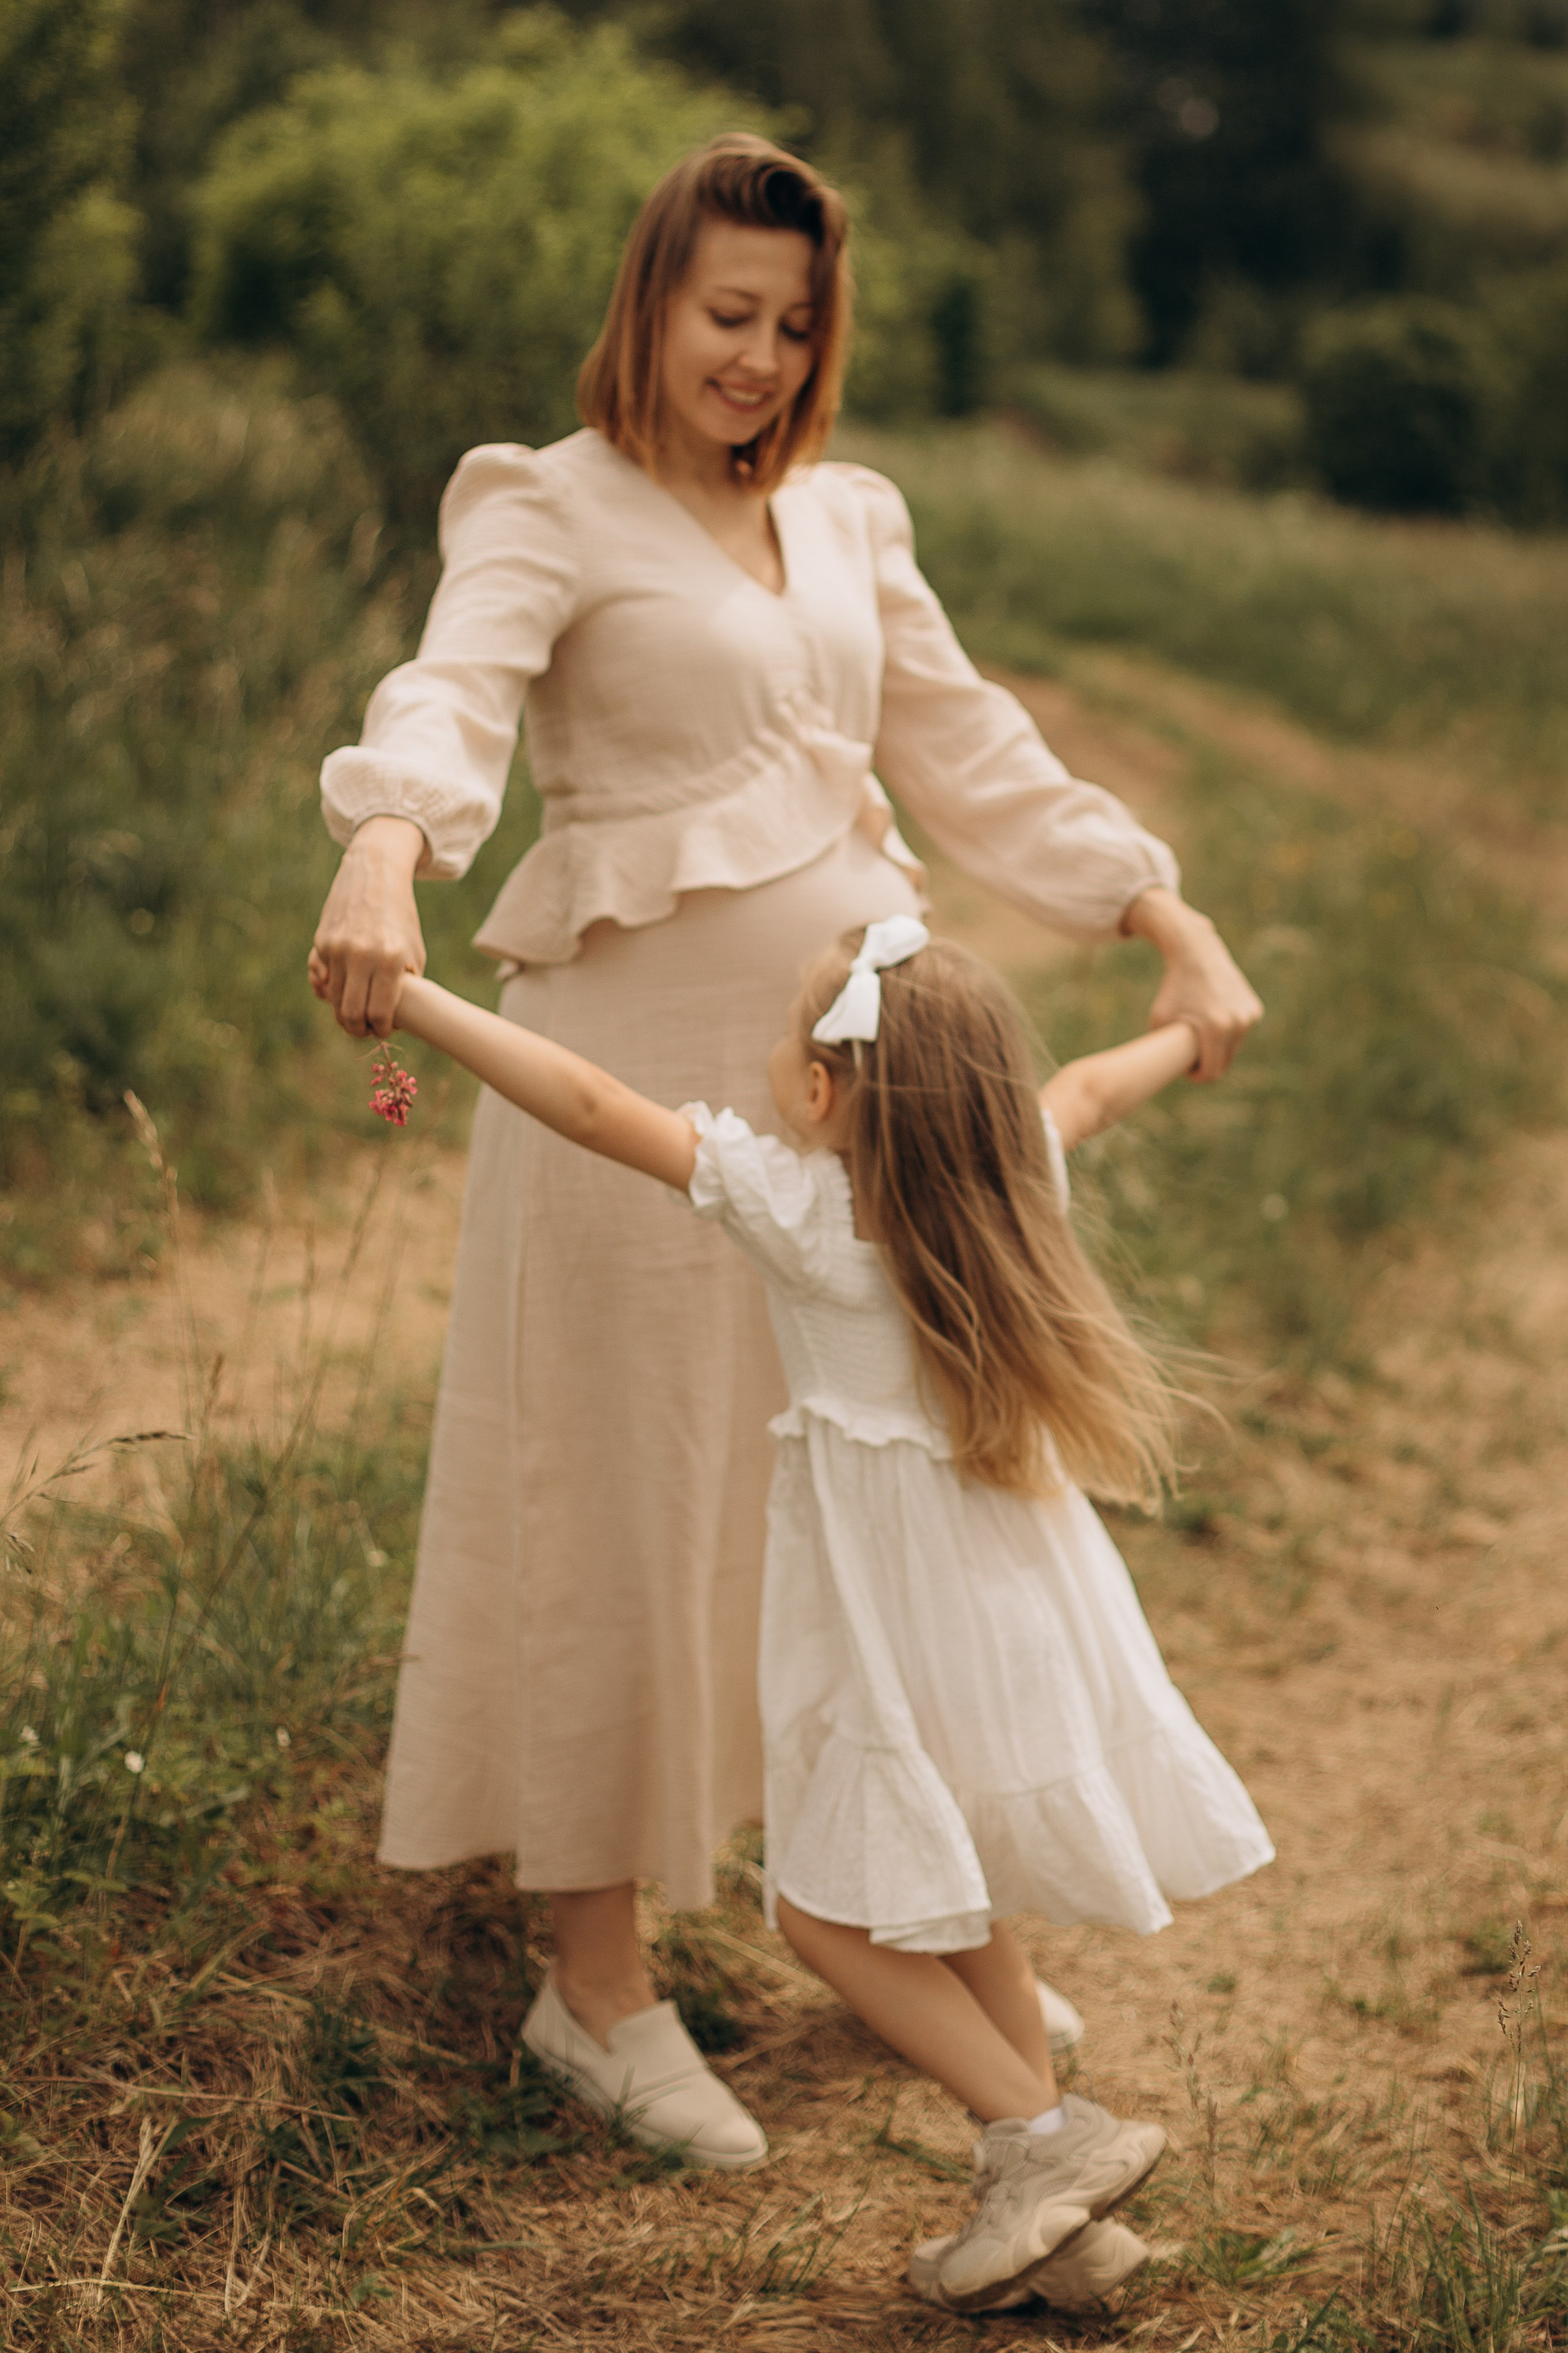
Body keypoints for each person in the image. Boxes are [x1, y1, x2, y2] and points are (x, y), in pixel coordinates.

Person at [307, 130, 1263, 2169]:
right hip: (635, 1069)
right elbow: (456, 690)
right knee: (624, 1500)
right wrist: (386, 840)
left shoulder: (848, 523)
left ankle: (913, 1917)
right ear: (651, 295)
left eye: (794, 325)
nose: (757, 357)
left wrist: (1153, 904)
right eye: (726, 312)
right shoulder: (546, 504)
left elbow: (973, 749)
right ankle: (598, 1979)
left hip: (851, 1103)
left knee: (857, 1513)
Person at [380, 918, 1274, 2314]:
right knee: (956, 1880)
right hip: (1011, 1607)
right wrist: (1196, 1025)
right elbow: (1092, 1084)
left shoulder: (804, 1220)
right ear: (981, 1096)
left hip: (881, 1616)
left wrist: (417, 1000)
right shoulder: (1013, 1174)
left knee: (820, 1912)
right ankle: (1050, 2210)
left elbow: (588, 1101)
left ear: (816, 1089)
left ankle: (1046, 2137)